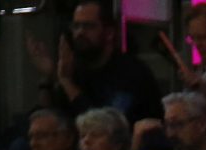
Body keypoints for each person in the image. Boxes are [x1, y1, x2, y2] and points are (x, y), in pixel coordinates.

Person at [30, 0, 165, 118]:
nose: (80, 33)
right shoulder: (75, 70)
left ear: (109, 33)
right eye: (76, 26)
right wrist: (48, 76)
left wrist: (66, 82)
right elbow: (51, 120)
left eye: (88, 26)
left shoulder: (133, 73)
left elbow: (101, 126)